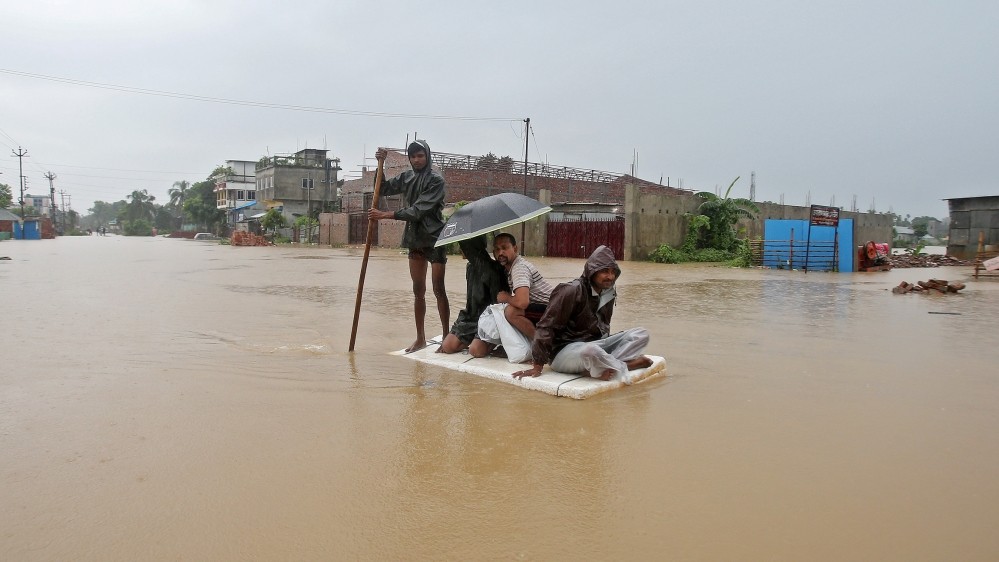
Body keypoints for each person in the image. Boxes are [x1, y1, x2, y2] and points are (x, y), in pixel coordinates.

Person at [512, 245, 652, 383]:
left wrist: (607, 348)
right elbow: (546, 327)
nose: (610, 277)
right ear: (592, 271)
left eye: (613, 272)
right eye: (605, 271)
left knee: (640, 334)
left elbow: (604, 326)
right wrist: (538, 365)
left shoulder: (608, 292)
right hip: (563, 352)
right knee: (591, 350)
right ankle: (623, 365)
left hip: (594, 345)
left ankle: (604, 366)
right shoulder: (570, 291)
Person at [368, 141, 451, 353]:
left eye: (420, 155)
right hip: (415, 238)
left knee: (439, 289)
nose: (416, 160)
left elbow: (418, 210)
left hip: (435, 237)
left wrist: (385, 215)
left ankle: (446, 336)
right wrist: (380, 165)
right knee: (418, 290)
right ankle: (420, 338)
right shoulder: (406, 177)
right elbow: (383, 189)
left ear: (427, 156)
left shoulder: (436, 180)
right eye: (413, 156)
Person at [468, 232, 553, 358]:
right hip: (543, 308)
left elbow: (522, 302)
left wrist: (506, 297)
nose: (500, 253)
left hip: (550, 310)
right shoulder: (511, 268)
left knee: (511, 311)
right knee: (508, 310)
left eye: (504, 248)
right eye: (497, 249)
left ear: (515, 248)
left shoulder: (519, 268)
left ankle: (543, 346)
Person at [437, 235, 509, 354]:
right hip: (471, 318)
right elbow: (470, 301)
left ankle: (489, 342)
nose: (461, 250)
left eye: (463, 247)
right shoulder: (470, 267)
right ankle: (475, 340)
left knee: (476, 351)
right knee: (448, 346)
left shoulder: (494, 270)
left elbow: (498, 306)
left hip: (488, 318)